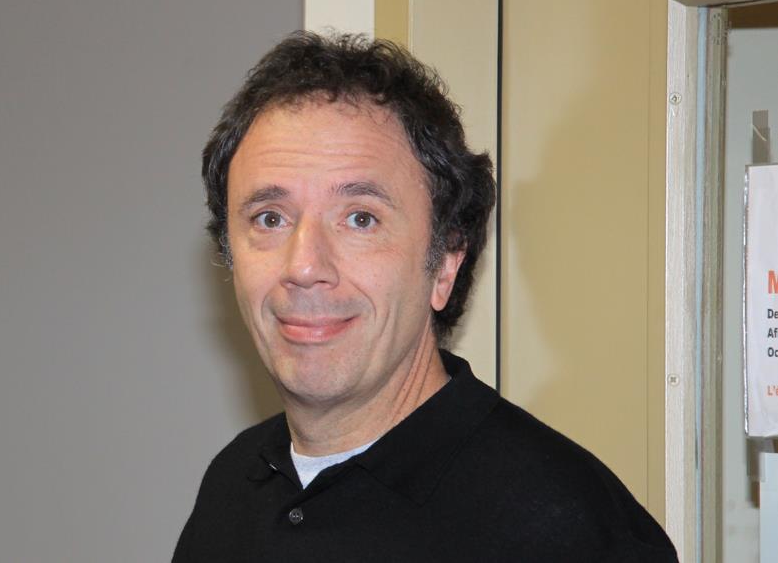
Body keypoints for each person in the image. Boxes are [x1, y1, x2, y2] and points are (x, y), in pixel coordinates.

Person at [173, 31, 678, 562]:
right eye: (270, 219)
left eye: (360, 219)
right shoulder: (233, 485)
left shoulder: (565, 529)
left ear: (445, 264)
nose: (304, 267)